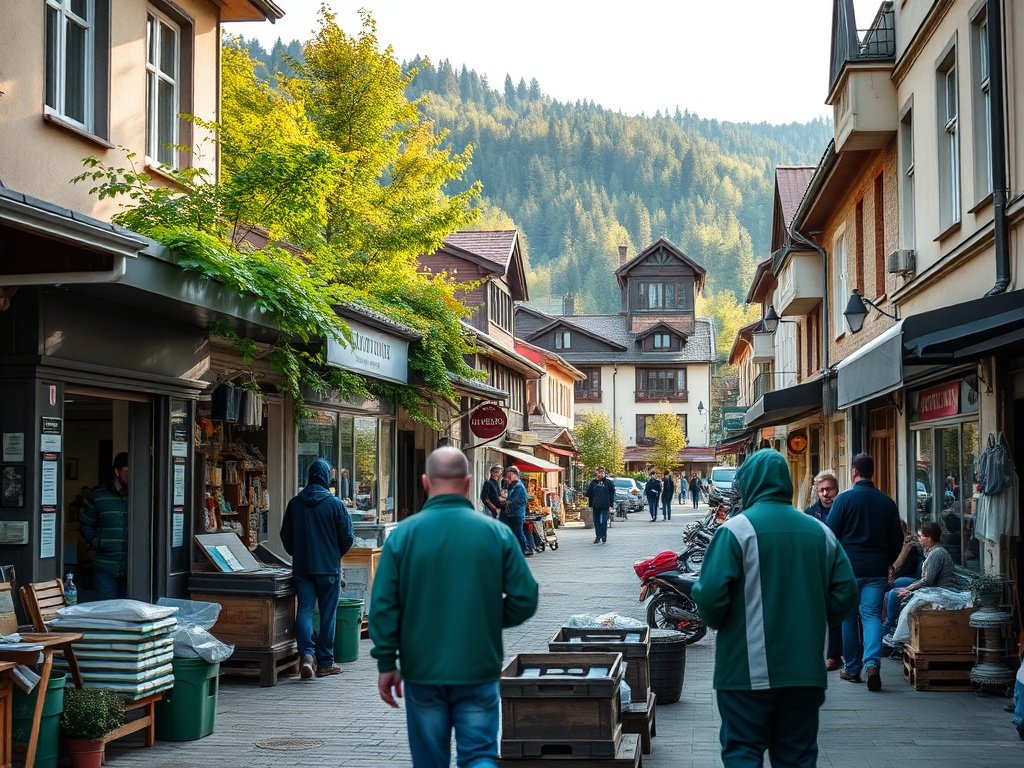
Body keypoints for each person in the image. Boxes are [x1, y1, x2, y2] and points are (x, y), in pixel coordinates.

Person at [370, 446, 539, 768]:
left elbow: (383, 606)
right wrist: (488, 618)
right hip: (478, 665)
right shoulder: (496, 534)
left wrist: (386, 662)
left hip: (423, 668)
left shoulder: (403, 536)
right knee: (479, 757)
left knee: (430, 762)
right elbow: (525, 597)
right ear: (468, 483)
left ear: (425, 482)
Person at [692, 449, 857, 767]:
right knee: (797, 756)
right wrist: (814, 617)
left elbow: (710, 597)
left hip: (746, 669)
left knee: (743, 751)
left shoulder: (735, 532)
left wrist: (724, 620)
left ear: (749, 483)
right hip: (805, 670)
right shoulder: (821, 533)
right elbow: (846, 593)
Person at [825, 453, 903, 692]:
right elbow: (897, 539)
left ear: (854, 473)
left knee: (848, 617)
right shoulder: (886, 502)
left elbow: (830, 534)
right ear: (873, 472)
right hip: (876, 569)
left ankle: (852, 668)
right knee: (871, 616)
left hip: (847, 570)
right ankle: (872, 664)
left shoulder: (843, 500)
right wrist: (887, 561)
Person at [281, 458, 354, 679]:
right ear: (326, 477)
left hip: (303, 567)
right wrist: (335, 554)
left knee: (304, 609)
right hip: (328, 568)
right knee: (327, 614)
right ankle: (325, 663)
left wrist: (298, 553)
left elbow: (286, 537)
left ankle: (306, 656)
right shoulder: (335, 504)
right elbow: (347, 537)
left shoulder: (295, 504)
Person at [882, 520, 956, 642]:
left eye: (921, 536)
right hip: (931, 588)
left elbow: (928, 581)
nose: (919, 539)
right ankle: (890, 626)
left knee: (895, 593)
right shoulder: (931, 550)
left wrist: (909, 589)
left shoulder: (937, 554)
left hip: (939, 591)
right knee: (893, 591)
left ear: (929, 538)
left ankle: (889, 628)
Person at [804, 470, 844, 672]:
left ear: (837, 489)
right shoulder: (810, 513)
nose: (826, 494)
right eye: (822, 490)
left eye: (830, 489)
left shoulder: (845, 510)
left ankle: (834, 655)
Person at [79, 453, 131, 600]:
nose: (132, 475)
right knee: (106, 609)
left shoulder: (140, 496)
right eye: (128, 471)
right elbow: (85, 524)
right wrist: (96, 542)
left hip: (133, 568)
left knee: (129, 611)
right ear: (117, 471)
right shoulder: (99, 496)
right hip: (105, 567)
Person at [504, 466, 533, 556]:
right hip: (514, 513)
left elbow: (512, 499)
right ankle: (521, 549)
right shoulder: (515, 486)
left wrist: (505, 500)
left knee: (518, 532)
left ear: (514, 475)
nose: (508, 479)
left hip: (517, 513)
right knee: (516, 532)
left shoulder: (518, 487)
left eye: (509, 476)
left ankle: (526, 548)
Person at [585, 466, 616, 544]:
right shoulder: (593, 482)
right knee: (596, 521)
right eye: (598, 472)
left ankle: (604, 535)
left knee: (604, 521)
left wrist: (611, 505)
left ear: (604, 473)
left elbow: (612, 494)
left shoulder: (608, 483)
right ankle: (598, 536)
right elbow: (588, 493)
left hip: (605, 505)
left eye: (601, 472)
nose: (599, 474)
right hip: (595, 505)